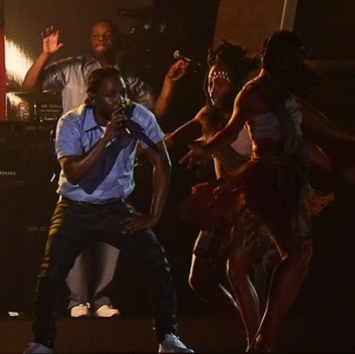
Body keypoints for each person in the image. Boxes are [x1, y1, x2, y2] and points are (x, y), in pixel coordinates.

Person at [181, 30, 355, 351]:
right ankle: (260, 339)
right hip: (261, 183)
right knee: (238, 269)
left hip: (283, 180)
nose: (292, 65)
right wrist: (204, 148)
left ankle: (263, 337)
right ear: (270, 58)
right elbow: (230, 131)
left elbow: (319, 134)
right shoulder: (250, 96)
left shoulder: (285, 98)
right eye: (288, 59)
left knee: (296, 256)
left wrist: (335, 167)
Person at [24, 67, 191, 354]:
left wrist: (153, 216)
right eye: (111, 95)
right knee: (51, 274)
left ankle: (168, 338)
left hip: (114, 208)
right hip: (74, 208)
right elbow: (74, 173)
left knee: (157, 261)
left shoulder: (138, 117)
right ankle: (42, 343)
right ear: (92, 98)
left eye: (123, 93)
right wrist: (107, 138)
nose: (120, 100)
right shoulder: (71, 122)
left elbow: (162, 163)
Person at [21, 20, 165, 319]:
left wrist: (153, 215)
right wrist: (45, 53)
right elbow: (30, 86)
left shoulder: (129, 85)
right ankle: (77, 301)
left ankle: (102, 298)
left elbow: (154, 125)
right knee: (71, 240)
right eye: (96, 35)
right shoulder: (72, 74)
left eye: (108, 35)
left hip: (114, 180)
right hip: (79, 167)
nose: (102, 40)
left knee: (118, 239)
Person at [162, 41, 273, 348]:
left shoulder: (251, 113)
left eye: (221, 80)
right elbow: (172, 139)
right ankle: (257, 333)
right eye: (210, 80)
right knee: (200, 280)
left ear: (236, 82)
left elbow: (263, 161)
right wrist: (138, 142)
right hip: (225, 200)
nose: (213, 86)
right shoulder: (208, 116)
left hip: (255, 199)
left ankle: (258, 342)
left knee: (237, 270)